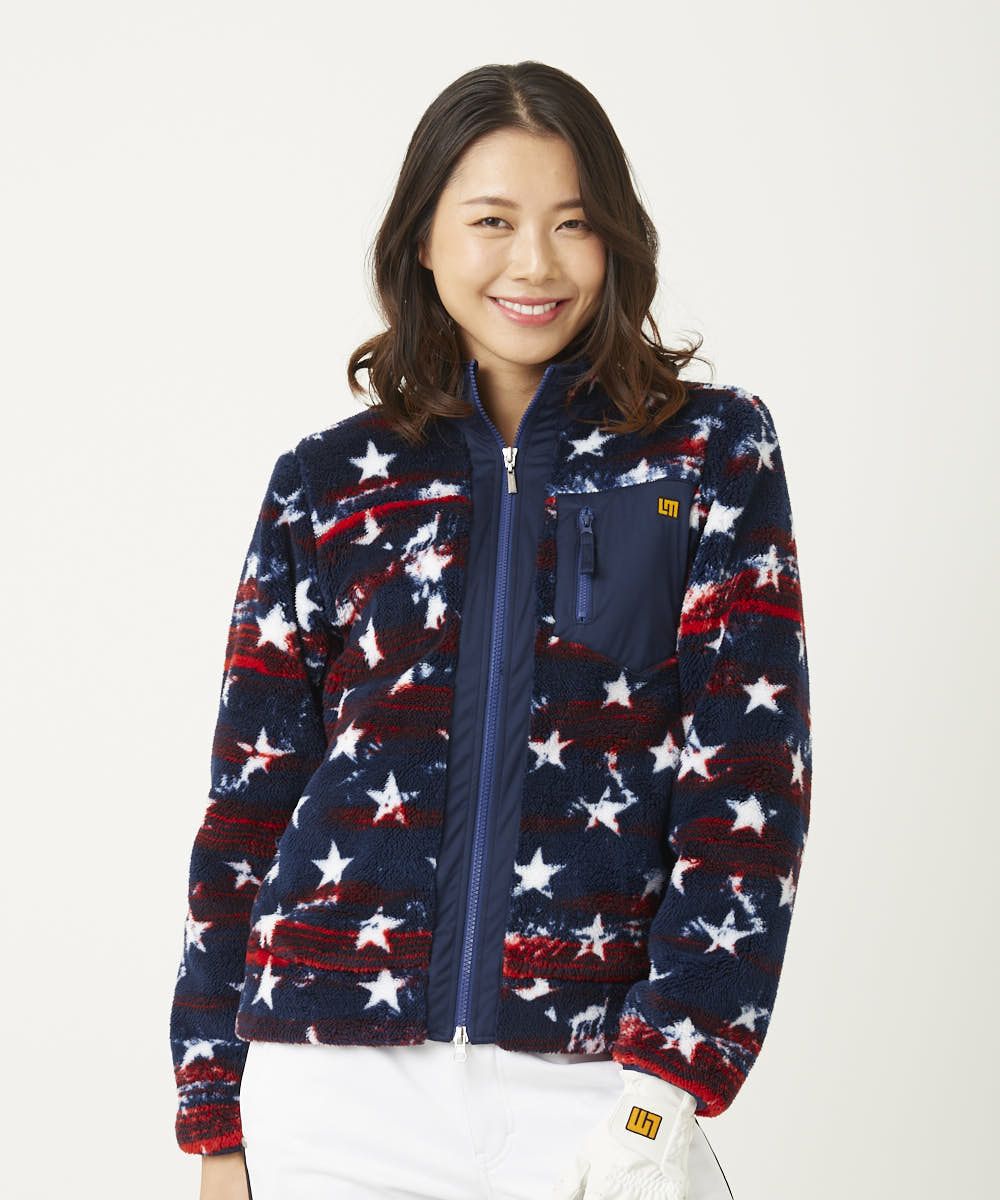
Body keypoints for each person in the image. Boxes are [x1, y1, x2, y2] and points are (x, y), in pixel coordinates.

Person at [169, 60, 811, 1200]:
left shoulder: (711, 453)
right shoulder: (328, 484)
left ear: (616, 240)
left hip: (596, 1077)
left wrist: (666, 1082)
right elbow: (247, 810)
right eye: (493, 221)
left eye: (574, 223)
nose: (535, 264)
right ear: (422, 240)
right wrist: (217, 1119)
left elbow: (750, 780)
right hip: (332, 1086)